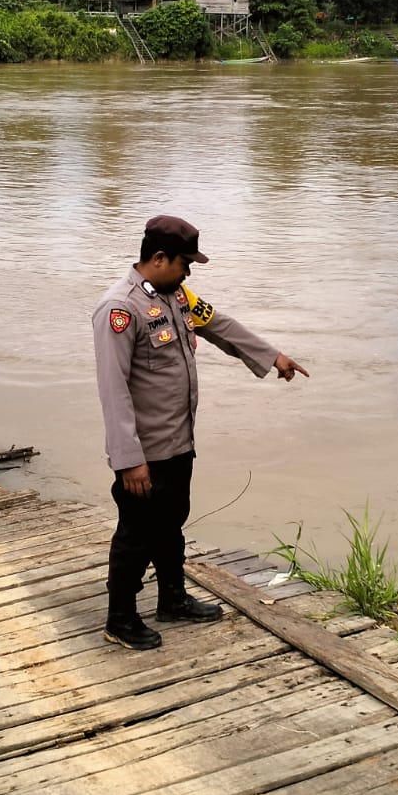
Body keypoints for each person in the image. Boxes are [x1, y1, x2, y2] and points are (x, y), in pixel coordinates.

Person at [92, 215, 309, 650]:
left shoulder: (177, 297)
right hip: (144, 453)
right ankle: (120, 619)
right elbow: (113, 392)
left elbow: (219, 325)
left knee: (171, 524)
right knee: (135, 534)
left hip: (178, 442)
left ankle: (172, 599)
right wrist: (128, 460)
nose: (189, 272)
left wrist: (273, 357)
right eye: (184, 263)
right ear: (158, 258)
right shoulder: (119, 310)